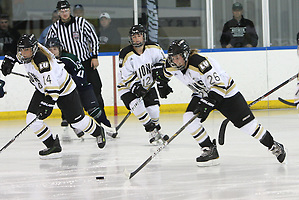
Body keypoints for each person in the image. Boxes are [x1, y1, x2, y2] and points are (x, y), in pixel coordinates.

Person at [152, 39, 286, 166]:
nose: (176, 61)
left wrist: (207, 105)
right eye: (173, 58)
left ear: (186, 55)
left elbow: (219, 86)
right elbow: (163, 73)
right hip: (202, 93)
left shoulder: (200, 64)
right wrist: (162, 83)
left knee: (249, 127)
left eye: (178, 57)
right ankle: (209, 149)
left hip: (227, 94)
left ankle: (273, 145)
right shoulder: (172, 65)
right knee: (188, 118)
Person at [0, 34, 106, 159]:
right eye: (21, 49)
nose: (23, 53)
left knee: (78, 122)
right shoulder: (27, 51)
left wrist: (48, 104)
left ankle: (98, 131)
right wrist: (10, 59)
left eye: (26, 50)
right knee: (31, 118)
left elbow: (53, 87)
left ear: (33, 49)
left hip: (64, 90)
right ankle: (52, 144)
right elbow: (16, 53)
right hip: (43, 89)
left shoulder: (42, 61)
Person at [46, 1, 114, 133]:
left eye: (66, 10)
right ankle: (71, 120)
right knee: (68, 93)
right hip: (67, 66)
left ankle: (102, 120)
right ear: (58, 12)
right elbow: (48, 47)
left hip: (85, 62)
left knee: (96, 89)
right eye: (61, 11)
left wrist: (94, 56)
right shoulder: (54, 28)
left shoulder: (81, 23)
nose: (64, 13)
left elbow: (93, 38)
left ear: (69, 11)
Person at [45, 37, 117, 137]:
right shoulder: (46, 63)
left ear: (60, 49)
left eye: (54, 49)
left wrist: (69, 80)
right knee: (70, 112)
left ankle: (107, 126)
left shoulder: (69, 58)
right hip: (67, 92)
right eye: (49, 49)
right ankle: (75, 126)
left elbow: (80, 73)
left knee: (94, 110)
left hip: (82, 87)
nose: (52, 52)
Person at [117, 24, 170, 144]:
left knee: (154, 110)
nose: (136, 39)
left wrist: (161, 75)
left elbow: (163, 62)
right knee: (139, 107)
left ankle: (157, 131)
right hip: (127, 88)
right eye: (134, 36)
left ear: (144, 36)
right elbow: (126, 76)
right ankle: (152, 131)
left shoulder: (154, 48)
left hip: (147, 85)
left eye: (139, 36)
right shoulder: (125, 54)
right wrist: (136, 88)